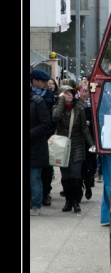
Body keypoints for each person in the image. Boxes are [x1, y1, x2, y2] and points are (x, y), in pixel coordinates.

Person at [52, 84, 95, 214]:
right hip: (62, 146)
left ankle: (76, 201)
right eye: (65, 93)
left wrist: (91, 144)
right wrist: (60, 101)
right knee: (65, 176)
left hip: (77, 144)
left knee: (76, 174)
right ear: (60, 95)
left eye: (70, 93)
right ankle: (68, 201)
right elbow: (56, 118)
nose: (69, 95)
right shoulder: (57, 108)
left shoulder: (79, 109)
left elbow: (84, 129)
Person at [30, 69, 56, 205]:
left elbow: (49, 120)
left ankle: (43, 196)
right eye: (44, 81)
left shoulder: (47, 96)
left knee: (42, 173)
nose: (47, 84)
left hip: (43, 138)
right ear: (34, 82)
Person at [76, 82, 97, 201]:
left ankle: (88, 185)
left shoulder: (92, 105)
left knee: (89, 165)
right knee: (79, 166)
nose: (85, 93)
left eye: (86, 91)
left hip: (90, 138)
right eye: (82, 91)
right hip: (79, 138)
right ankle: (79, 189)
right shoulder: (76, 105)